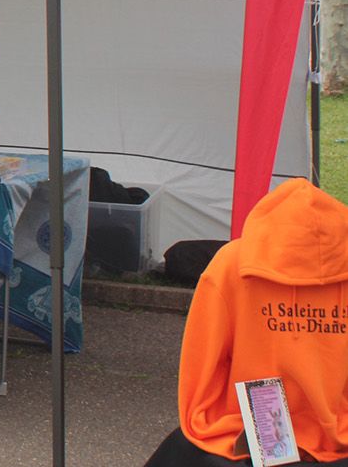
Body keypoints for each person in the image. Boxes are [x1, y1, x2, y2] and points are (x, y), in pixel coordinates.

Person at [144, 178, 348, 465]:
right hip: (336, 431)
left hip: (246, 424)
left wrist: (203, 415)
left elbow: (203, 358)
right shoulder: (231, 265)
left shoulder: (231, 263)